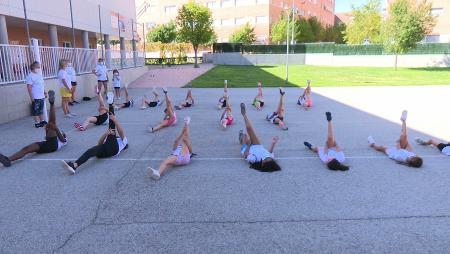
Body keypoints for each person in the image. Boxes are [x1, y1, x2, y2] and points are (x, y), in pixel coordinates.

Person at [0, 90, 67, 167]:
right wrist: (48, 130)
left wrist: (57, 129)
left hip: (53, 146)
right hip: (45, 144)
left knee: (52, 124)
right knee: (26, 149)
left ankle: (52, 103)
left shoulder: (63, 139)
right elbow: (46, 136)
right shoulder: (51, 134)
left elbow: (63, 140)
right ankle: (8, 160)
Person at [61, 113, 128, 174]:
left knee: (112, 131)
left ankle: (111, 107)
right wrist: (106, 134)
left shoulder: (123, 141)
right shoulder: (109, 139)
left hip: (114, 150)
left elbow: (121, 132)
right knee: (90, 151)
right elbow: (99, 143)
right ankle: (74, 166)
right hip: (105, 150)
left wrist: (115, 121)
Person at [239, 103, 281, 172]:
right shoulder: (270, 158)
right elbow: (269, 153)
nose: (267, 157)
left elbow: (246, 154)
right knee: (249, 129)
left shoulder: (253, 159)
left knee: (245, 136)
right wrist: (273, 143)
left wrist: (249, 144)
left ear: (262, 163)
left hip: (247, 149)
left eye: (265, 159)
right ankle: (244, 114)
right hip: (257, 145)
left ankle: (241, 138)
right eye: (269, 158)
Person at [25, 61, 47, 128]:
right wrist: (32, 97)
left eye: (39, 67)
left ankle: (42, 121)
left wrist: (44, 92)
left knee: (40, 110)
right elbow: (29, 87)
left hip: (41, 96)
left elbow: (41, 85)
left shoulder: (39, 75)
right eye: (37, 67)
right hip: (36, 96)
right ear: (33, 67)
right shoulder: (30, 76)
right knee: (35, 111)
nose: (39, 68)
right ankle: (37, 123)